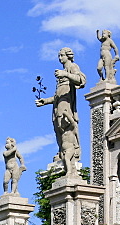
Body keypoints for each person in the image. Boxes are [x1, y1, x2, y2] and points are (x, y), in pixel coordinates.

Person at [35, 48, 87, 177]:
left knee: (65, 125)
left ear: (68, 56)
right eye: (58, 55)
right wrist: (46, 101)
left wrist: (66, 74)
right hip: (58, 104)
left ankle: (71, 151)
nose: (60, 58)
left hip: (66, 103)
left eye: (61, 55)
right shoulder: (61, 74)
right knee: (58, 128)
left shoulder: (72, 66)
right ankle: (61, 151)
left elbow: (81, 80)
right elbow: (57, 95)